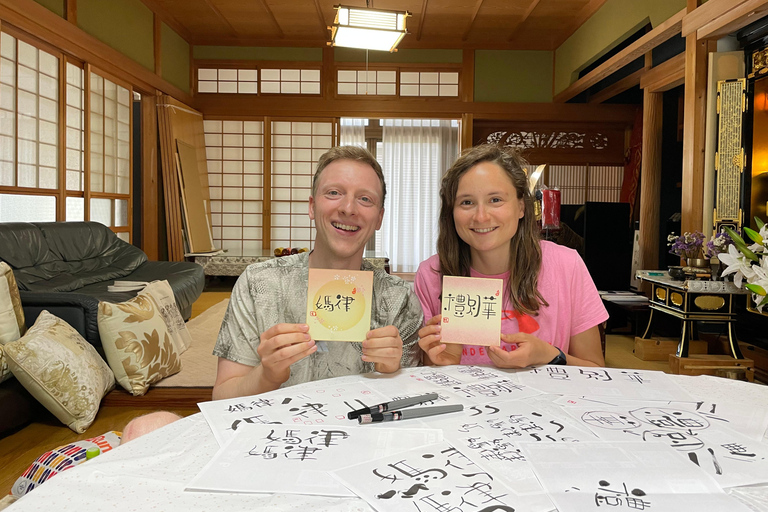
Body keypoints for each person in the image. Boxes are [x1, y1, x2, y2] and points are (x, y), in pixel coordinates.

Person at [212, 146, 423, 400]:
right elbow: (222, 398)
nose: (348, 208)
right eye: (334, 193)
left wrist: (392, 371)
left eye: (365, 199)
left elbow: (412, 407)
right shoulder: (260, 283)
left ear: (379, 218)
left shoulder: (398, 299)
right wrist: (267, 374)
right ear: (312, 207)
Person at [415, 144, 607, 368]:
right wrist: (440, 363)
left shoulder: (566, 265)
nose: (481, 216)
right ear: (451, 212)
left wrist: (549, 355)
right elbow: (424, 380)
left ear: (521, 207)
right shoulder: (431, 274)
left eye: (495, 199)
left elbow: (595, 371)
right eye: (466, 202)